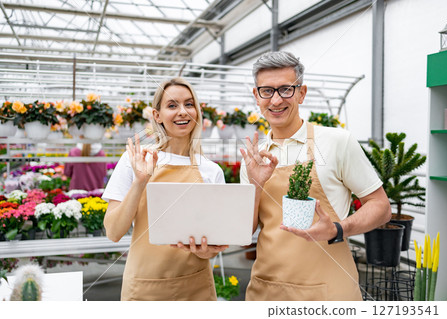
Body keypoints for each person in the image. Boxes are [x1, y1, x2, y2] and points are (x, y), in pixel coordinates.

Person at [239, 51, 391, 301]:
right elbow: (245, 236)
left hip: (329, 293)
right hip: (267, 292)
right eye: (267, 91)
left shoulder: (337, 142)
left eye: (286, 89)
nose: (276, 100)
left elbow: (381, 206)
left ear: (302, 92)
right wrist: (255, 184)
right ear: (256, 96)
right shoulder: (255, 157)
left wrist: (339, 229)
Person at [102, 77, 227, 301]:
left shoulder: (211, 170)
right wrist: (140, 181)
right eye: (172, 105)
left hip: (195, 287)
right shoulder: (135, 160)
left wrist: (207, 250)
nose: (182, 112)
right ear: (156, 115)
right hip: (144, 286)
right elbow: (113, 232)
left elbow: (214, 244)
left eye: (189, 104)